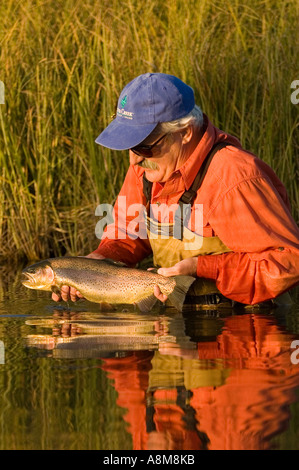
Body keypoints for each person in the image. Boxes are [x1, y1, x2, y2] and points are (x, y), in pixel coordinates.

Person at [52, 72, 299, 307]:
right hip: (175, 324)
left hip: (245, 326)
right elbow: (127, 231)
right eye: (130, 146)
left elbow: (289, 262)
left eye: (144, 147)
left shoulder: (234, 178)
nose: (134, 160)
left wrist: (201, 267)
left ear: (185, 133)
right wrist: (98, 261)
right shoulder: (147, 167)